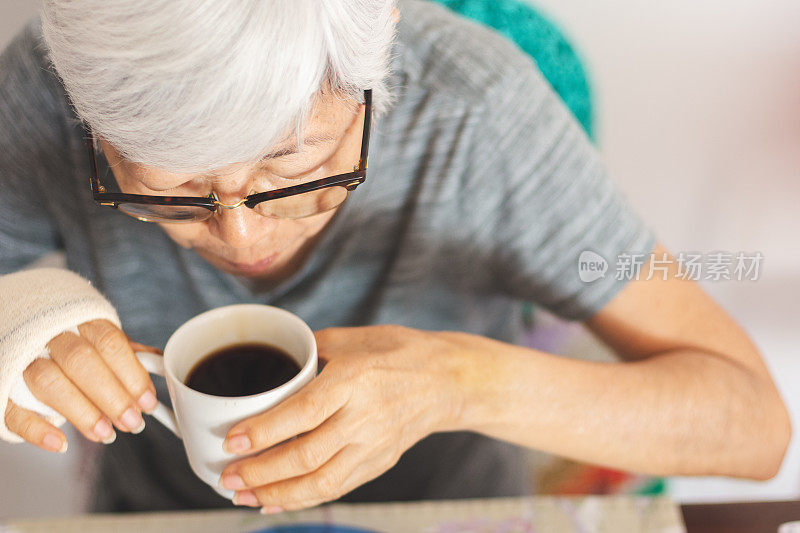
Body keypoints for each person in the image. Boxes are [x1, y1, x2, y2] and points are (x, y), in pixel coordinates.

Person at [0, 0, 790, 514]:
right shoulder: (39, 92)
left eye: (295, 169)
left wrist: (454, 380)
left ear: (370, 83)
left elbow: (752, 424)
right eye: (173, 190)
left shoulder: (479, 112)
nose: (244, 237)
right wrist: (25, 318)